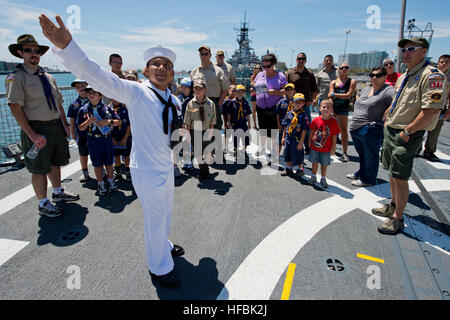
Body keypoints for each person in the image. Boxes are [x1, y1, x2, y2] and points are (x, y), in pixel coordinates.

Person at [40, 14, 185, 288]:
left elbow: (174, 130)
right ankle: (160, 267)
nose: (162, 68)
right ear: (145, 71)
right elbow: (99, 76)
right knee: (154, 217)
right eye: (156, 64)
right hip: (146, 169)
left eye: (167, 65)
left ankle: (163, 245)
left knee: (165, 212)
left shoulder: (174, 100)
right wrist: (68, 47)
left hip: (166, 165)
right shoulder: (137, 92)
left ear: (173, 72)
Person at [372, 38, 446, 235]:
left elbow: (431, 110)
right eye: (404, 49)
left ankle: (397, 218)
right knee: (392, 173)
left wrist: (408, 131)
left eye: (411, 49)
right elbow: (400, 101)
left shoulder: (431, 76)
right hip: (393, 130)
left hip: (407, 133)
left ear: (424, 51)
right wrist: (388, 116)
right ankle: (393, 205)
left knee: (400, 176)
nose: (406, 53)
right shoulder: (405, 75)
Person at [6, 34, 80, 218]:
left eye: (37, 51)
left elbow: (58, 103)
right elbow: (15, 108)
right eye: (28, 50)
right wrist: (31, 135)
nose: (34, 54)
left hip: (55, 126)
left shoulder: (47, 77)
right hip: (36, 128)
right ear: (19, 53)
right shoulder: (16, 77)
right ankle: (43, 203)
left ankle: (57, 192)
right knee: (39, 168)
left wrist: (64, 124)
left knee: (56, 162)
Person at [348, 67, 394, 187]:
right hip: (356, 127)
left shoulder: (388, 91)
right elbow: (358, 97)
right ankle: (362, 172)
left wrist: (386, 113)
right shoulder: (367, 89)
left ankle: (368, 179)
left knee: (371, 155)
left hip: (371, 128)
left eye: (378, 75)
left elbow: (398, 102)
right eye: (372, 75)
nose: (374, 77)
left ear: (385, 77)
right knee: (362, 154)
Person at [78, 86, 121, 195]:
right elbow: (80, 128)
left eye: (94, 93)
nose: (91, 95)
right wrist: (88, 122)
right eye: (89, 93)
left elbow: (119, 122)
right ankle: (101, 183)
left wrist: (108, 122)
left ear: (100, 95)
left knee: (109, 162)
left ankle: (111, 182)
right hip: (93, 140)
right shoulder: (83, 110)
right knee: (97, 164)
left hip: (106, 139)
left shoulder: (107, 108)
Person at [253, 53, 288, 158]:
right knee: (262, 129)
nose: (266, 68)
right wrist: (255, 89)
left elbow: (286, 90)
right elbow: (255, 85)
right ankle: (262, 148)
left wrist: (275, 92)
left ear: (274, 64)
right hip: (260, 107)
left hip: (274, 107)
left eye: (268, 66)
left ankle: (274, 151)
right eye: (264, 66)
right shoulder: (260, 75)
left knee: (274, 130)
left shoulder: (280, 75)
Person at [418, 54, 450, 161]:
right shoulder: (430, 74)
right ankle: (416, 149)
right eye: (442, 62)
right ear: (438, 63)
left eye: (447, 62)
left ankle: (429, 151)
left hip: (440, 109)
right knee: (420, 128)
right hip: (425, 107)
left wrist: (448, 112)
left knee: (435, 132)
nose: (444, 64)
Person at [285, 52, 319, 153]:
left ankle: (307, 147)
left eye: (303, 59)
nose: (301, 60)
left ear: (306, 60)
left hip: (304, 106)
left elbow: (315, 90)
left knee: (307, 127)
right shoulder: (290, 74)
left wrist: (311, 100)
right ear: (296, 60)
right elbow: (285, 89)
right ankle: (291, 145)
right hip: (292, 106)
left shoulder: (310, 74)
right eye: (299, 58)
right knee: (291, 125)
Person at [190, 45, 229, 131]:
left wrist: (218, 104)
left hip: (213, 103)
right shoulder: (194, 71)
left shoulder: (218, 71)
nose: (204, 56)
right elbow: (191, 88)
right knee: (198, 130)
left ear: (210, 55)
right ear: (199, 55)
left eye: (206, 54)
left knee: (215, 131)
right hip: (198, 103)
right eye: (202, 54)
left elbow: (225, 89)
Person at [184, 79, 216, 181]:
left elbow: (213, 120)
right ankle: (203, 171)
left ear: (205, 90)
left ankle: (204, 167)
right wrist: (188, 134)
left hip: (207, 130)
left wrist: (211, 131)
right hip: (195, 130)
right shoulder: (190, 104)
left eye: (200, 89)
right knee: (198, 153)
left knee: (208, 153)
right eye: (196, 89)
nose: (198, 91)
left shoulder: (210, 104)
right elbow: (188, 121)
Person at [308, 99, 340, 188]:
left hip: (326, 148)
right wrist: (309, 141)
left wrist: (333, 147)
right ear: (320, 108)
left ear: (331, 110)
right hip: (315, 147)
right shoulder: (316, 120)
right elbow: (312, 131)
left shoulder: (333, 122)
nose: (326, 109)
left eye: (328, 107)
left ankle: (323, 178)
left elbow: (334, 136)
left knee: (324, 164)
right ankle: (313, 176)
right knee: (314, 162)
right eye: (324, 107)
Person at [328, 62, 357, 162]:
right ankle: (331, 149)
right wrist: (332, 106)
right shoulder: (333, 82)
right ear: (338, 70)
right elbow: (330, 96)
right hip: (334, 108)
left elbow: (348, 95)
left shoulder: (352, 81)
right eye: (342, 68)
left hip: (344, 109)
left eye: (346, 67)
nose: (344, 69)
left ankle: (344, 153)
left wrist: (334, 94)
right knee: (331, 131)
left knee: (344, 131)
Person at [280, 93, 309, 177]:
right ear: (292, 103)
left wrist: (301, 142)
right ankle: (289, 168)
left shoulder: (303, 115)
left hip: (297, 139)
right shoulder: (289, 113)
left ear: (303, 103)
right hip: (288, 138)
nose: (298, 104)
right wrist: (283, 137)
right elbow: (285, 126)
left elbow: (304, 129)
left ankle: (300, 169)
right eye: (296, 102)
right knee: (287, 153)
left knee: (298, 154)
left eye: (300, 102)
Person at [67, 78, 90, 182]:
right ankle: (84, 171)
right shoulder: (73, 104)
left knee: (96, 152)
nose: (80, 88)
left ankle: (100, 169)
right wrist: (72, 132)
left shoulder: (94, 100)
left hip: (93, 132)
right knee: (83, 153)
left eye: (82, 86)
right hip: (81, 133)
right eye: (78, 87)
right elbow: (72, 119)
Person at [227, 84, 252, 158]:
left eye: (242, 92)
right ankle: (236, 151)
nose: (240, 93)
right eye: (238, 92)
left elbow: (248, 114)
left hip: (243, 123)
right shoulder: (232, 102)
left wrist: (249, 124)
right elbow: (229, 113)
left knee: (246, 138)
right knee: (236, 138)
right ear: (235, 93)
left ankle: (244, 151)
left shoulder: (245, 102)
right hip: (235, 123)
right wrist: (229, 123)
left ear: (244, 93)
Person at [276, 83, 296, 155]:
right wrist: (278, 124)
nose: (289, 91)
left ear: (294, 91)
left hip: (293, 125)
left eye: (291, 89)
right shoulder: (281, 102)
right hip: (282, 124)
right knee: (280, 140)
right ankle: (277, 155)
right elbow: (277, 114)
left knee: (291, 140)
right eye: (287, 90)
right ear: (285, 91)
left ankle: (288, 154)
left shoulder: (296, 102)